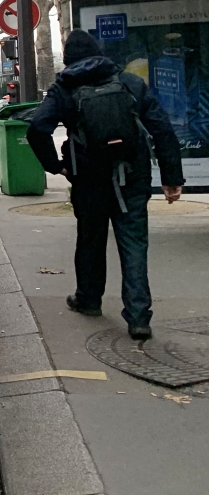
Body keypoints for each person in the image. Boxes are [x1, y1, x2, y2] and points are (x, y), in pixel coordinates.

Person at [26, 30, 183, 341]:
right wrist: (171, 178)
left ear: (68, 58)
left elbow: (37, 129)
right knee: (134, 244)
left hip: (88, 179)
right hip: (133, 177)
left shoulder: (64, 89)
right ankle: (139, 318)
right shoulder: (128, 82)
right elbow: (162, 129)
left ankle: (89, 299)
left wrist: (56, 166)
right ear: (98, 52)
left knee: (90, 239)